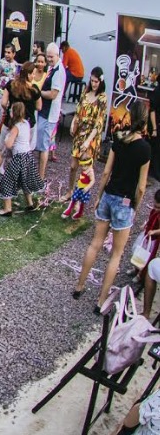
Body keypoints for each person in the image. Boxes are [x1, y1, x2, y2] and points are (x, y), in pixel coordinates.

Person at [74, 101, 151, 311]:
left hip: (108, 194)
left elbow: (106, 172)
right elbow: (142, 187)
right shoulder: (145, 149)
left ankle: (79, 285)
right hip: (125, 202)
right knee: (116, 254)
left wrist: (99, 196)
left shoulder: (118, 139)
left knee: (95, 244)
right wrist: (136, 206)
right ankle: (101, 301)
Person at [70, 68, 107, 191]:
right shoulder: (85, 92)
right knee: (73, 166)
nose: (94, 84)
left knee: (85, 170)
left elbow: (99, 123)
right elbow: (78, 109)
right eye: (92, 81)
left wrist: (88, 141)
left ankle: (79, 199)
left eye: (96, 81)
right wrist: (72, 123)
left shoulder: (102, 98)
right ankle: (70, 191)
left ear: (101, 81)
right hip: (80, 131)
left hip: (91, 136)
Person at [36, 43, 66, 181]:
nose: (49, 59)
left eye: (51, 57)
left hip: (49, 114)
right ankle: (38, 174)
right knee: (41, 144)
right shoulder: (53, 68)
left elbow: (53, 94)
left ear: (57, 55)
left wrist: (38, 93)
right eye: (47, 56)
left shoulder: (59, 71)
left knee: (44, 146)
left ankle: (40, 177)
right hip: (44, 111)